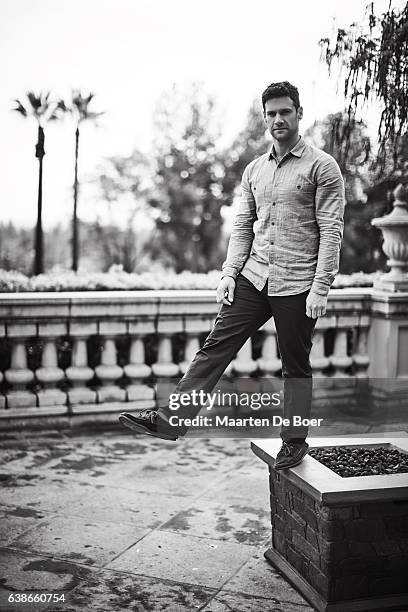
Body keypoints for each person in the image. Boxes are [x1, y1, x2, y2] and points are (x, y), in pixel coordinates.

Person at [119, 81, 345, 469]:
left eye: (284, 112)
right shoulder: (254, 170)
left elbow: (331, 230)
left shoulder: (322, 167)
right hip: (253, 277)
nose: (278, 119)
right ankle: (173, 421)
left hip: (298, 284)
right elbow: (242, 226)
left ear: (299, 114)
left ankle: (293, 441)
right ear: (265, 117)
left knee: (295, 365)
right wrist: (229, 273)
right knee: (215, 347)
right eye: (271, 113)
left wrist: (320, 287)